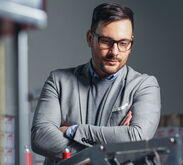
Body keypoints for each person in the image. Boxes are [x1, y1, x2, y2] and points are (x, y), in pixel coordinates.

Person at [31, 2, 161, 164]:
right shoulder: (59, 81)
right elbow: (41, 138)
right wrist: (109, 149)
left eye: (123, 43)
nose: (114, 52)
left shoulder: (144, 86)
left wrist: (73, 130)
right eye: (106, 41)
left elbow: (137, 138)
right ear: (90, 38)